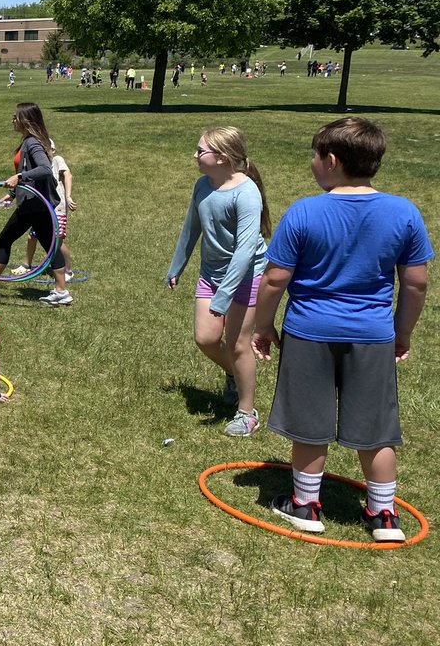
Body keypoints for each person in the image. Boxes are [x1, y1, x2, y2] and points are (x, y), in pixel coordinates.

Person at [253, 118, 432, 542]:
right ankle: (384, 516)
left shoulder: (304, 211)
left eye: (314, 156)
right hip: (373, 334)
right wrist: (401, 331)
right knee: (376, 428)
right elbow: (416, 282)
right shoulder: (404, 212)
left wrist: (263, 325)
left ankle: (305, 505)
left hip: (309, 331)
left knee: (310, 425)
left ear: (331, 160)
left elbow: (275, 279)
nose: (312, 164)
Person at [166, 126, 271, 436]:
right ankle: (233, 375)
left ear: (223, 158)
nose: (195, 155)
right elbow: (192, 226)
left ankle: (247, 413)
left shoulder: (246, 192)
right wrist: (177, 266)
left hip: (246, 275)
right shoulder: (203, 186)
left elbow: (245, 251)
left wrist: (224, 297)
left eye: (201, 151)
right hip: (212, 274)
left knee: (240, 345)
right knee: (206, 338)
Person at [0, 104, 66, 304]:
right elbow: (32, 176)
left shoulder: (31, 143)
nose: (12, 120)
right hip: (37, 203)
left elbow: (45, 169)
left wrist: (19, 176)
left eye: (15, 117)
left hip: (33, 205)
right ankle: (61, 290)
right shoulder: (30, 141)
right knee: (50, 245)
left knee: (5, 238)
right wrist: (13, 194)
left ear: (26, 120)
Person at [14, 147, 77, 304]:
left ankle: (67, 270)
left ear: (52, 149)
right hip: (43, 208)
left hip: (58, 207)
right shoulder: (38, 166)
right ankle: (27, 264)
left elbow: (68, 174)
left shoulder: (56, 160)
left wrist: (68, 196)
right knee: (32, 235)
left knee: (57, 240)